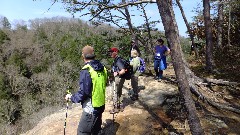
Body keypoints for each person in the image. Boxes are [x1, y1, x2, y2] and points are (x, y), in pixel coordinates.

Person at [65, 45, 107, 135]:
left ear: (83, 56)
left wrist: (71, 97)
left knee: (82, 132)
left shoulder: (86, 70)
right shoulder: (103, 68)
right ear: (93, 55)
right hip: (101, 104)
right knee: (96, 130)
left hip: (91, 108)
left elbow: (83, 93)